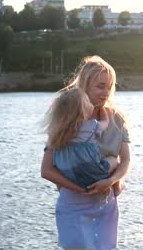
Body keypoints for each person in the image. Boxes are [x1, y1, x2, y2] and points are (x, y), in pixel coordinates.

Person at [41, 55, 131, 250]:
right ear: (84, 85)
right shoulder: (66, 118)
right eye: (100, 86)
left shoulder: (117, 119)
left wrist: (111, 181)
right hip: (74, 204)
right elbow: (47, 170)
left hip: (106, 203)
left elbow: (125, 162)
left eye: (109, 86)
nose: (106, 92)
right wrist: (79, 189)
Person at [43, 88, 120, 193]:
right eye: (87, 102)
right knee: (114, 160)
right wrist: (103, 110)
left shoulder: (58, 132)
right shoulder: (92, 126)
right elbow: (105, 122)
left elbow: (47, 168)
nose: (90, 103)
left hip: (69, 174)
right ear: (82, 109)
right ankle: (117, 187)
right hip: (92, 172)